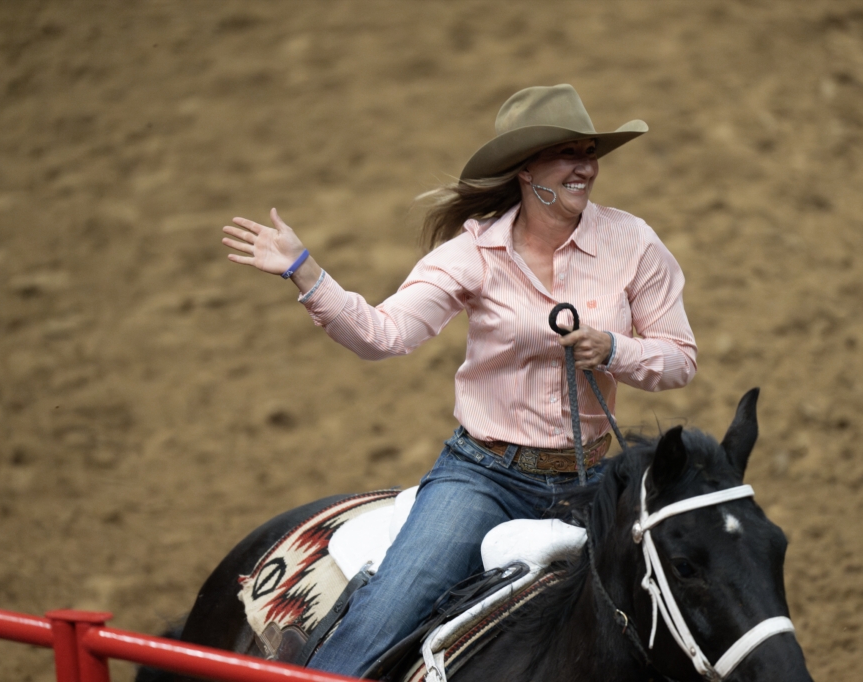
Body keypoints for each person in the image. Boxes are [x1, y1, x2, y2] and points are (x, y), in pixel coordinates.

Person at [221, 84, 697, 678]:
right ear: (527, 171)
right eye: (567, 154)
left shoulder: (633, 243)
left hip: (594, 478)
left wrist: (614, 348)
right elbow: (383, 334)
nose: (586, 167)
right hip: (484, 476)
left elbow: (680, 359)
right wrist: (306, 272)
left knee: (687, 606)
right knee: (391, 609)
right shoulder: (471, 255)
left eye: (590, 152)